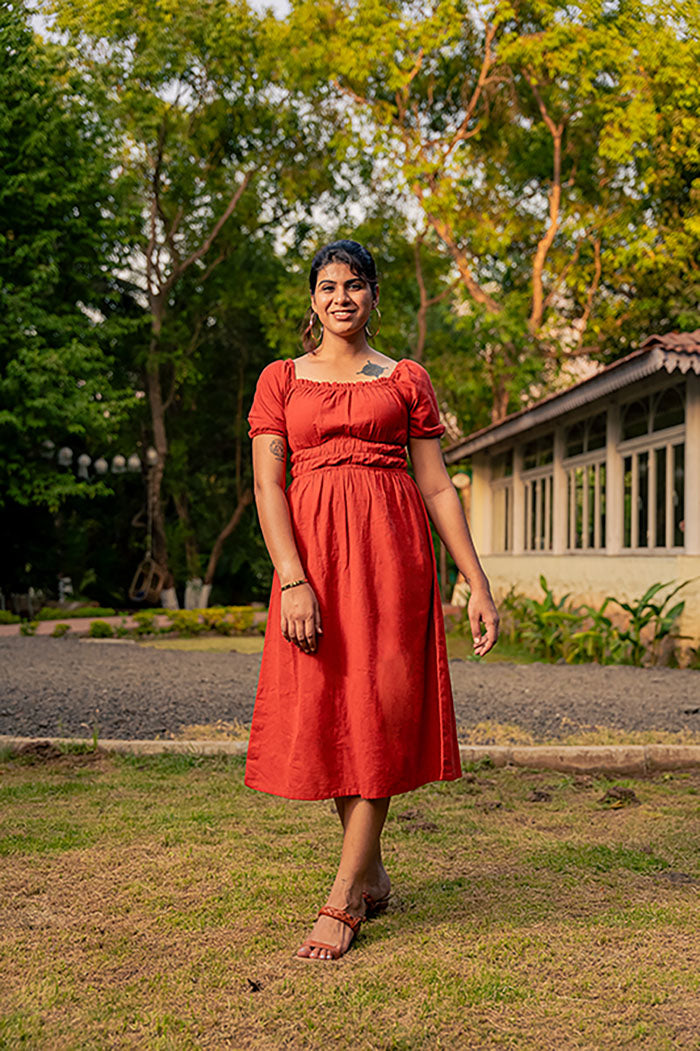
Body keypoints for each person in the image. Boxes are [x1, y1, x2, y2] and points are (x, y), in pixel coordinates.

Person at [246, 239, 499, 962]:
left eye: (354, 285)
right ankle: (374, 869)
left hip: (393, 560)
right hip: (314, 562)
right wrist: (293, 577)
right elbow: (269, 485)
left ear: (373, 294)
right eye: (328, 286)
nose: (341, 298)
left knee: (380, 709)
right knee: (333, 710)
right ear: (313, 298)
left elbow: (438, 485)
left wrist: (476, 582)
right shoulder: (281, 380)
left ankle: (345, 892)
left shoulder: (405, 379)